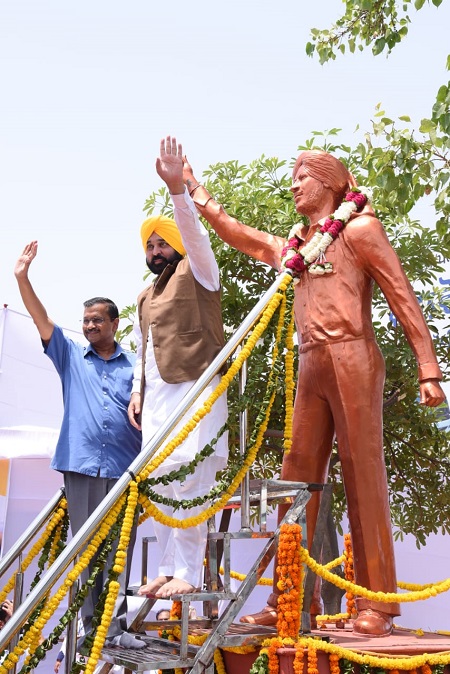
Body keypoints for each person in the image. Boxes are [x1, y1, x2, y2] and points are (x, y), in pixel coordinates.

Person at [178, 148, 445, 637]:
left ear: (328, 183)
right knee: (294, 480)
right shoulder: (298, 246)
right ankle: (289, 600)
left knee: (364, 475)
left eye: (302, 177)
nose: (295, 186)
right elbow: (243, 237)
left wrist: (429, 368)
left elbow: (402, 295)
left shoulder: (360, 231)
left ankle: (376, 605)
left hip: (354, 356)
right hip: (311, 362)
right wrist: (194, 188)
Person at [14, 244, 145, 650]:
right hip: (82, 467)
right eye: (85, 320)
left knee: (118, 553)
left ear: (114, 323)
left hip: (125, 470)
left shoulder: (137, 364)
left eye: (96, 320)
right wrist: (22, 277)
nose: (89, 326)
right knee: (89, 552)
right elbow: (41, 318)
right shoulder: (70, 355)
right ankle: (93, 634)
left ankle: (117, 630)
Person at [130, 137, 228, 601]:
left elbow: (196, 236)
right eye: (148, 245)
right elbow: (144, 350)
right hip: (156, 402)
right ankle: (167, 567)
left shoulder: (200, 271)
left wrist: (177, 191)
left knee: (190, 477)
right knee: (159, 480)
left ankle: (190, 569)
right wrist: (136, 392)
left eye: (160, 242)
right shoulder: (145, 296)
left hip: (195, 390)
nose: (154, 249)